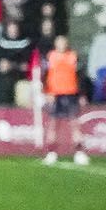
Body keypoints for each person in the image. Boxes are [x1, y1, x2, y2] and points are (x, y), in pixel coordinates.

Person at [39, 33, 85, 166]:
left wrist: (82, 94)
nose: (62, 45)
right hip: (54, 94)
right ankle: (51, 153)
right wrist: (46, 92)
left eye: (64, 42)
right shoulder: (49, 57)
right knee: (53, 124)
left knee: (75, 124)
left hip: (71, 93)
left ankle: (79, 153)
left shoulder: (74, 57)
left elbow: (80, 77)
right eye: (59, 42)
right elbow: (44, 76)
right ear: (55, 44)